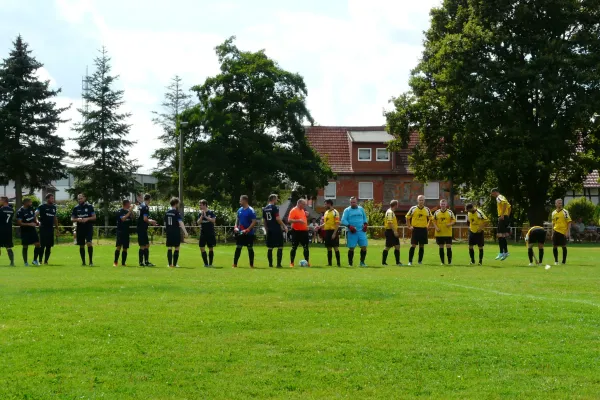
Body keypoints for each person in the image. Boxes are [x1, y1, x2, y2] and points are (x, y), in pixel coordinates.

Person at [341, 197, 369, 267]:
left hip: (361, 231)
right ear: (350, 203)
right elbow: (343, 220)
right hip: (352, 232)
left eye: (354, 202)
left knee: (364, 247)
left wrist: (365, 224)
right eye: (351, 202)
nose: (353, 204)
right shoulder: (347, 210)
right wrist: (349, 226)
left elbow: (365, 218)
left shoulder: (361, 209)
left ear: (357, 202)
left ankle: (362, 262)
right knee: (351, 248)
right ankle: (350, 263)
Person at [406, 195, 432, 266]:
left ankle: (420, 261)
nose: (421, 201)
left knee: (422, 246)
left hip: (423, 229)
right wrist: (409, 226)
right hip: (415, 229)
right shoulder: (413, 208)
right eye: (420, 200)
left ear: (424, 201)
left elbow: (431, 218)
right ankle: (410, 261)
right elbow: (407, 217)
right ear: (417, 201)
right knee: (413, 245)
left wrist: (428, 226)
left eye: (422, 200)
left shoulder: (427, 209)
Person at [262, 194, 287, 268]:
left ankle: (270, 264)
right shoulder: (275, 207)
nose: (277, 200)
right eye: (276, 199)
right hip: (276, 229)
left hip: (269, 230)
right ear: (273, 199)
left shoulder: (264, 208)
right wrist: (284, 225)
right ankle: (278, 264)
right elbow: (278, 219)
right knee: (280, 246)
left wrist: (266, 229)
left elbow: (264, 221)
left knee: (270, 247)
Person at [233, 195, 258, 268]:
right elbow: (237, 220)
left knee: (250, 248)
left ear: (245, 201)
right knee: (238, 247)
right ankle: (235, 264)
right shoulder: (239, 210)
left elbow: (254, 222)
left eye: (240, 200)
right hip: (240, 233)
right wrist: (235, 227)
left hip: (248, 234)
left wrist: (247, 229)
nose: (239, 202)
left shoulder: (251, 210)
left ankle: (251, 264)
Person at [71, 193, 96, 266]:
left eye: (81, 198)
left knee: (89, 243)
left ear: (84, 198)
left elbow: (94, 217)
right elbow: (72, 219)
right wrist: (77, 219)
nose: (80, 200)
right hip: (80, 228)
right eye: (78, 199)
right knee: (81, 245)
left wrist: (87, 219)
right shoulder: (76, 208)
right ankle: (83, 262)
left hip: (88, 228)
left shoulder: (90, 206)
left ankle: (91, 262)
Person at [16, 198, 42, 266]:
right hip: (25, 230)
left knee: (38, 244)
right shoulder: (20, 211)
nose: (31, 203)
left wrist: (37, 221)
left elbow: (34, 216)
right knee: (25, 246)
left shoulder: (31, 209)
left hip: (32, 230)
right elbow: (19, 223)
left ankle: (35, 260)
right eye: (30, 202)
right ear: (26, 203)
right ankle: (25, 262)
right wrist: (29, 224)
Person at [165, 197, 188, 268]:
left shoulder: (167, 212)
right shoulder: (176, 212)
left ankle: (169, 264)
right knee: (177, 247)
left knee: (169, 247)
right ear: (175, 204)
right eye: (178, 203)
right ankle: (174, 264)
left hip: (169, 232)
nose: (178, 205)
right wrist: (185, 232)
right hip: (175, 231)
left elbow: (165, 223)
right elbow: (180, 222)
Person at [36, 193, 59, 265]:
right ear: (47, 199)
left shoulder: (54, 207)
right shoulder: (42, 206)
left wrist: (57, 229)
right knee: (42, 245)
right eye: (51, 198)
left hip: (50, 229)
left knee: (49, 246)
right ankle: (40, 260)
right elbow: (34, 215)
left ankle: (46, 261)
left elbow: (55, 218)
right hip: (43, 228)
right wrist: (37, 221)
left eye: (53, 198)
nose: (53, 200)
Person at [432, 199, 456, 265]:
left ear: (446, 205)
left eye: (444, 204)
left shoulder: (450, 212)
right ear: (440, 205)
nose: (443, 205)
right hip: (439, 233)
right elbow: (433, 221)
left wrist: (450, 224)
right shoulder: (436, 212)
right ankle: (442, 262)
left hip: (448, 233)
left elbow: (454, 220)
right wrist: (436, 227)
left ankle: (449, 262)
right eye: (442, 204)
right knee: (441, 246)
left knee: (448, 246)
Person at [288, 199, 310, 267]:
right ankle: (292, 263)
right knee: (294, 247)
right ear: (299, 203)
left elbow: (303, 220)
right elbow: (289, 220)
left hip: (304, 231)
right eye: (303, 204)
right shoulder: (293, 210)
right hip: (296, 231)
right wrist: (298, 221)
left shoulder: (302, 210)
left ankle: (307, 262)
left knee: (306, 247)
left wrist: (306, 216)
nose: (304, 206)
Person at [137, 194, 158, 267]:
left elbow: (143, 218)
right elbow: (145, 219)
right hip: (142, 228)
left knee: (146, 245)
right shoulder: (145, 207)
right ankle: (141, 262)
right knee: (143, 245)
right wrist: (151, 222)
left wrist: (151, 221)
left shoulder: (141, 206)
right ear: (149, 199)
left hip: (141, 228)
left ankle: (146, 262)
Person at [491, 188, 512, 260]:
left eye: (492, 194)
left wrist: (502, 215)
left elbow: (505, 204)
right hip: (505, 218)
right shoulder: (503, 197)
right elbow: (509, 207)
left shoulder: (499, 197)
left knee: (499, 235)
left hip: (502, 217)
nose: (492, 195)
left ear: (495, 192)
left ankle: (501, 252)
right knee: (502, 236)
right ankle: (505, 252)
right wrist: (507, 216)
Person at [114, 199, 134, 267]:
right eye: (129, 203)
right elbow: (123, 219)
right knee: (119, 247)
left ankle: (123, 263)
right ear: (126, 204)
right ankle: (115, 262)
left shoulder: (128, 211)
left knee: (125, 248)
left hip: (126, 232)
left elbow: (132, 218)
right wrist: (130, 211)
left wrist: (131, 211)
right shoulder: (119, 211)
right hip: (120, 232)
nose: (130, 205)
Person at [551, 199, 571, 265]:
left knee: (563, 246)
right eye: (559, 203)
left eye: (561, 203)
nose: (560, 204)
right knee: (554, 246)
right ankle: (556, 261)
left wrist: (567, 232)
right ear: (555, 204)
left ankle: (563, 262)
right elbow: (553, 223)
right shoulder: (553, 213)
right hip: (555, 231)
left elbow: (569, 222)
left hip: (563, 232)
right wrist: (552, 233)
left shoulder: (565, 212)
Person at [322, 199, 341, 267]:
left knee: (335, 247)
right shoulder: (326, 212)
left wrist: (334, 233)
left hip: (333, 231)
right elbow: (325, 222)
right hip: (327, 231)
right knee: (328, 247)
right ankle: (329, 263)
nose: (324, 205)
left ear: (329, 204)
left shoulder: (335, 212)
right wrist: (319, 226)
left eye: (325, 204)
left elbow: (337, 224)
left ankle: (338, 263)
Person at [198, 199, 217, 267]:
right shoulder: (200, 213)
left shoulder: (211, 212)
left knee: (210, 248)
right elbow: (198, 222)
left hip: (210, 233)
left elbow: (214, 220)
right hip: (203, 233)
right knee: (201, 247)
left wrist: (206, 217)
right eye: (199, 205)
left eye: (201, 205)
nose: (199, 206)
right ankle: (206, 264)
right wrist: (202, 216)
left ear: (205, 205)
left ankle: (210, 264)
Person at [382, 200, 401, 266]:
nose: (398, 206)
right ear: (395, 205)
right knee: (388, 247)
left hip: (392, 231)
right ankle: (383, 262)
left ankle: (398, 262)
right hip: (390, 231)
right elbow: (389, 223)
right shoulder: (390, 212)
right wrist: (395, 231)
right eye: (397, 204)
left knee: (397, 246)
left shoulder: (391, 212)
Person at [0, 196, 15, 266]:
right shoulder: (12, 210)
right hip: (8, 230)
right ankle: (12, 262)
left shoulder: (1, 209)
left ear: (4, 201)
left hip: (1, 230)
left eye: (1, 200)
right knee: (8, 247)